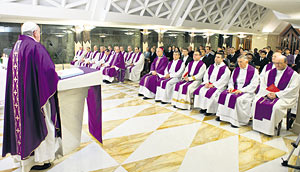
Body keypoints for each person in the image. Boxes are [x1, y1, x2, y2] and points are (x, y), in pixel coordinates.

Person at [2, 22, 61, 171]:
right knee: (44, 122)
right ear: (35, 32)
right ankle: (43, 160)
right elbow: (48, 71)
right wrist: (56, 77)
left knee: (22, 125)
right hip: (35, 98)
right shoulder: (35, 47)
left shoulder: (16, 47)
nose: (39, 35)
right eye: (39, 32)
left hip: (20, 99)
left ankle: (24, 157)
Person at [252, 55, 300, 136]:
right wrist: (267, 93)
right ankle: (259, 126)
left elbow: (292, 89)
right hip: (269, 94)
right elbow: (263, 84)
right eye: (275, 63)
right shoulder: (269, 72)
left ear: (286, 62)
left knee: (275, 107)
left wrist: (277, 94)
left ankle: (270, 128)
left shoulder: (294, 75)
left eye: (279, 63)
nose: (277, 65)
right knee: (256, 102)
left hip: (284, 97)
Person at [216, 55, 259, 127]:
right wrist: (230, 87)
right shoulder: (236, 70)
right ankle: (223, 116)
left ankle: (237, 120)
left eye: (241, 62)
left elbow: (253, 85)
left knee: (238, 99)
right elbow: (231, 81)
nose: (239, 64)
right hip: (235, 89)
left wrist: (241, 90)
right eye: (238, 62)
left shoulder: (254, 71)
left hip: (247, 92)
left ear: (246, 61)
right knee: (224, 95)